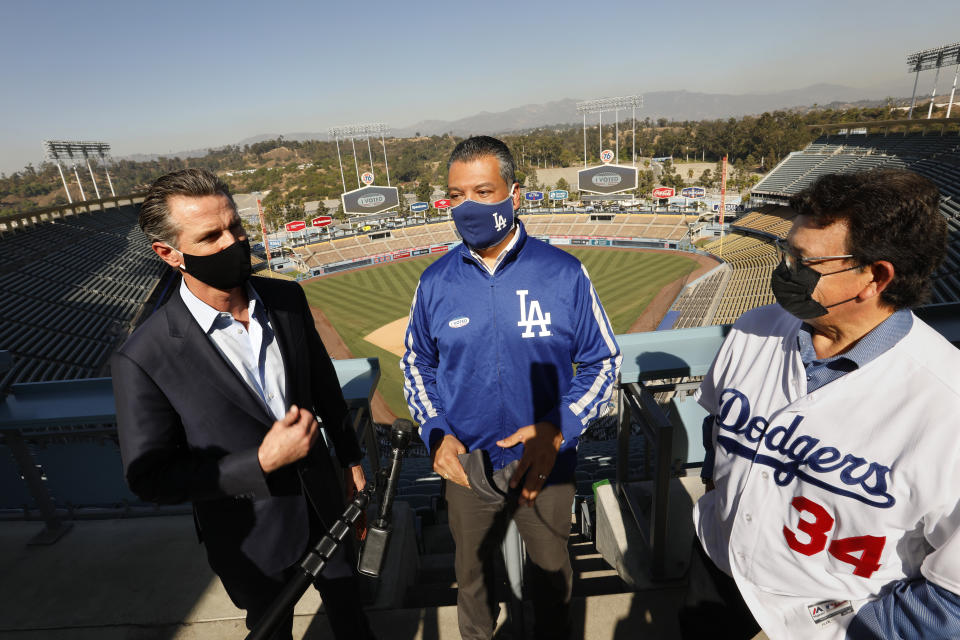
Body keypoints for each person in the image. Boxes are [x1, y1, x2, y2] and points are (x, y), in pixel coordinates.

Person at [689, 169, 960, 639]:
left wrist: (846, 634)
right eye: (786, 252)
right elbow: (718, 429)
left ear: (875, 278)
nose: (784, 269)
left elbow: (951, 601)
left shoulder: (947, 403)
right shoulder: (756, 327)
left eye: (802, 260)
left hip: (826, 622)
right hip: (715, 573)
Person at [112, 168, 373, 640]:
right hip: (247, 534)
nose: (232, 242)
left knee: (352, 615)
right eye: (210, 236)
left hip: (325, 503)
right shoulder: (143, 356)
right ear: (169, 254)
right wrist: (260, 461)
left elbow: (322, 387)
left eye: (235, 226)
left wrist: (351, 459)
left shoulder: (287, 297)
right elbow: (150, 478)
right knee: (272, 629)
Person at [401, 136, 622, 639]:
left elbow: (603, 361)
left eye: (483, 191)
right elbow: (417, 364)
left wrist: (557, 431)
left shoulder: (563, 273)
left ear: (514, 194)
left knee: (551, 578)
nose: (468, 207)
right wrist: (436, 433)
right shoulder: (435, 282)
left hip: (545, 461)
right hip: (467, 461)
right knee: (472, 582)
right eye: (456, 196)